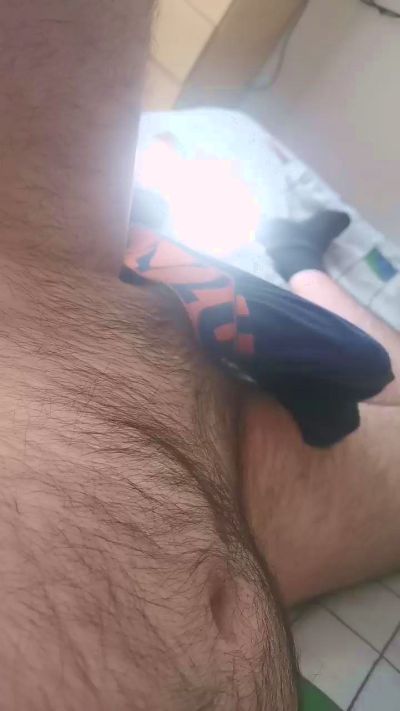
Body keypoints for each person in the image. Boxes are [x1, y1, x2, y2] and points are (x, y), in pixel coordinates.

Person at [0, 2, 399, 709]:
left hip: (193, 406)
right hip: (227, 463)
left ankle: (295, 256)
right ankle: (296, 255)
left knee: (383, 374)